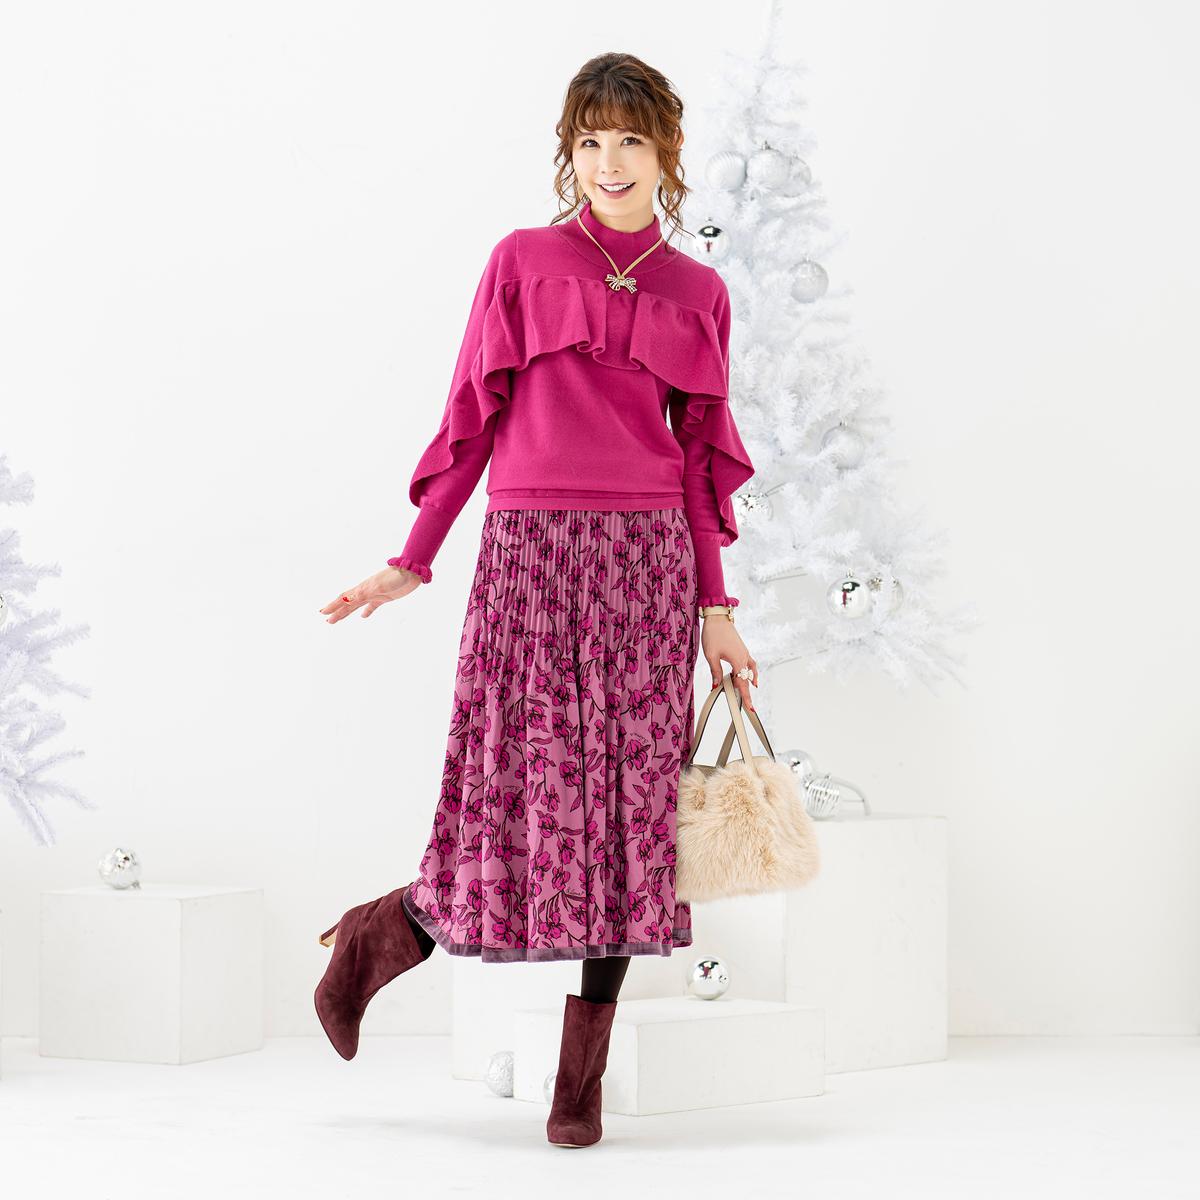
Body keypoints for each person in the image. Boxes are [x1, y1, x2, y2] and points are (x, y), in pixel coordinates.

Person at [314, 51, 757, 1148]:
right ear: (570, 152)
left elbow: (701, 471)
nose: (609, 163)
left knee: (630, 820)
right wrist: (414, 557)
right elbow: (470, 421)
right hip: (530, 557)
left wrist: (718, 611)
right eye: (590, 142)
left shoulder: (699, 292)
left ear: (667, 153)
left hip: (647, 568)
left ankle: (579, 1084)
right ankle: (381, 936)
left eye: (630, 141)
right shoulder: (522, 261)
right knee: (508, 796)